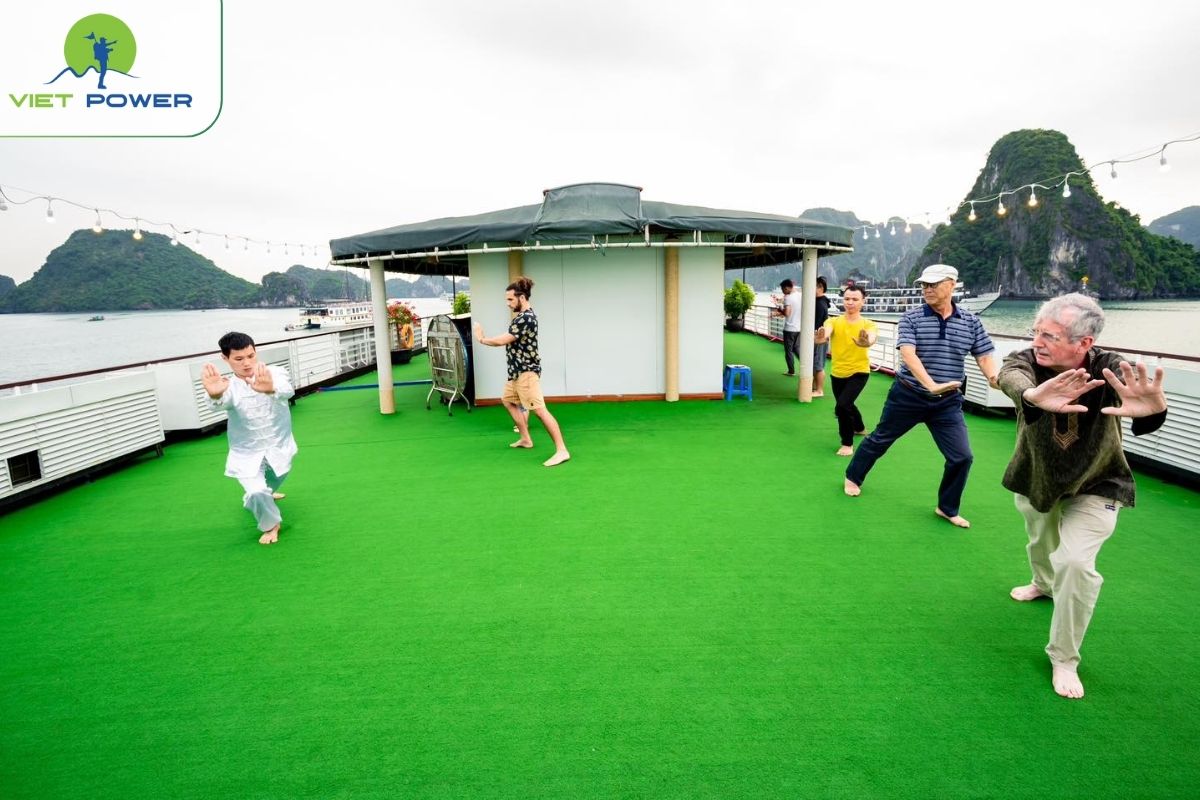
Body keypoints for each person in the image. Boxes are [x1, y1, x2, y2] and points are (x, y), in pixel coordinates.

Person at [996, 293, 1167, 699]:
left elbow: (1138, 396)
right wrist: (1032, 396)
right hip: (1037, 476)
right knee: (1041, 542)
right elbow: (1010, 375)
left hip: (1098, 481)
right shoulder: (1025, 362)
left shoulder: (1108, 368)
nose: (1038, 342)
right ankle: (1042, 583)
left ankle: (1064, 657)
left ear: (1084, 343)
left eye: (1050, 336)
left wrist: (1155, 409)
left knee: (1074, 563)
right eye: (1036, 331)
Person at [843, 264, 998, 528]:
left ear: (952, 284)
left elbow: (983, 356)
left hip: (947, 402)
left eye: (933, 284)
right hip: (908, 395)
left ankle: (947, 508)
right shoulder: (912, 317)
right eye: (924, 284)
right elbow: (908, 353)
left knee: (962, 456)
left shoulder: (970, 322)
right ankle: (853, 476)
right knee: (880, 439)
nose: (927, 289)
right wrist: (930, 385)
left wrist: (995, 380)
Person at [201, 332, 298, 545]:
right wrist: (215, 395)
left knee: (272, 482)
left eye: (250, 356)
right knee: (256, 492)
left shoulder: (273, 373)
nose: (246, 363)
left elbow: (287, 391)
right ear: (225, 358)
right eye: (238, 358)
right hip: (247, 452)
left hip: (279, 446)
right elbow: (218, 402)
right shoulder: (227, 386)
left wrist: (270, 388)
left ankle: (265, 495)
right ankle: (271, 525)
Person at [474, 276, 571, 467]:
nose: (508, 303)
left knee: (540, 412)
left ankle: (562, 450)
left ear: (522, 297)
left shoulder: (526, 318)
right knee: (508, 400)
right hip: (516, 373)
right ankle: (526, 439)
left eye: (510, 299)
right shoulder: (520, 317)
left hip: (527, 373)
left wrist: (481, 338)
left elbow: (502, 340)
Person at [815, 284, 878, 456]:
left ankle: (847, 443)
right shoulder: (833, 321)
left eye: (855, 299)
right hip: (838, 372)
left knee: (842, 406)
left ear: (863, 302)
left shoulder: (868, 324)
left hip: (859, 371)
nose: (850, 302)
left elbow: (871, 337)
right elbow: (826, 332)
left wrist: (867, 342)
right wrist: (822, 337)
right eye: (847, 299)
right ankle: (859, 427)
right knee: (847, 403)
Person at [774, 279, 802, 376]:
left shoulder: (788, 298)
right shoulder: (800, 295)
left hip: (789, 328)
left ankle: (791, 371)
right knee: (796, 348)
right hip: (799, 328)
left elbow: (787, 313)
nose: (783, 292)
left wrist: (780, 310)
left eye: (782, 289)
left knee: (789, 351)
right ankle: (807, 366)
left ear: (786, 288)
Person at [812, 276, 831, 397]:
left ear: (820, 287)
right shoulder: (821, 301)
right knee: (816, 364)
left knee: (818, 365)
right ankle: (815, 387)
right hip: (818, 337)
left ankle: (819, 390)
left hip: (820, 338)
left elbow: (816, 323)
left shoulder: (819, 304)